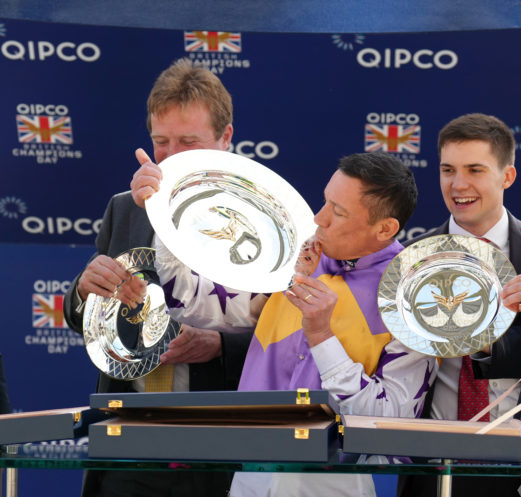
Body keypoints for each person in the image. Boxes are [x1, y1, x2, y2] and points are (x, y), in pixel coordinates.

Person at [135, 151, 437, 497]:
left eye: (337, 211)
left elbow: (392, 424)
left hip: (331, 484)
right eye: (324, 202)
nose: (318, 219)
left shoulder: (412, 297)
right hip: (250, 474)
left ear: (385, 228)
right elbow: (189, 302)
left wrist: (323, 338)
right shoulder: (295, 256)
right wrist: (163, 214)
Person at [63, 59, 258, 497]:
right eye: (161, 142)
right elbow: (87, 320)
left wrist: (221, 346)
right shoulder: (124, 208)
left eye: (188, 142)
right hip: (130, 447)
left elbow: (291, 335)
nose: (171, 157)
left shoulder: (263, 223)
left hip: (225, 452)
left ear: (226, 138)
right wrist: (82, 289)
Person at [397, 113, 521, 496]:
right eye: (447, 170)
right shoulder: (409, 262)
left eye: (474, 169)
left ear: (508, 176)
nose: (458, 185)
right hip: (433, 461)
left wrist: (479, 338)